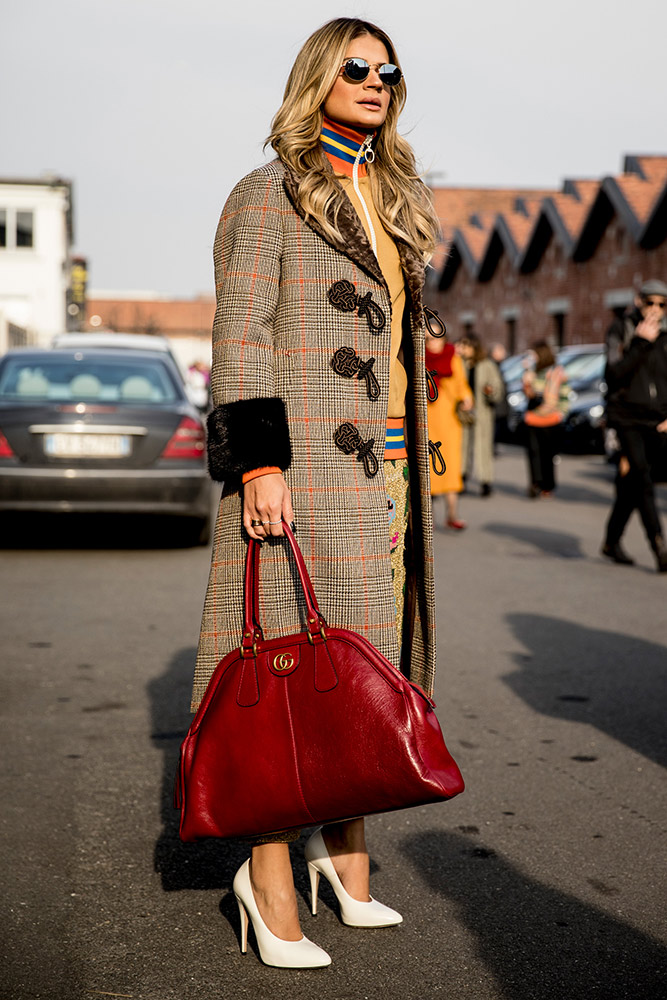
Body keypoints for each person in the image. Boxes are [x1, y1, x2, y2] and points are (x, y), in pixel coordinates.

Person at [191, 18, 442, 967]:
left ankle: (344, 855)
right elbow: (242, 333)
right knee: (287, 679)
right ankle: (265, 878)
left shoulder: (391, 197)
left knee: (360, 672)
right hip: (298, 474)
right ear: (316, 80)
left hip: (383, 478)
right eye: (355, 68)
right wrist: (257, 464)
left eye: (387, 70)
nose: (376, 81)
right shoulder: (266, 196)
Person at [601, 279, 667, 571]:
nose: (655, 309)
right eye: (650, 302)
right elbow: (614, 373)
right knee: (641, 476)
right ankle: (659, 546)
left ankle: (611, 541)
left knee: (633, 483)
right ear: (639, 302)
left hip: (656, 420)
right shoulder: (621, 329)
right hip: (625, 416)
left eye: (662, 305)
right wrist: (640, 343)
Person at [425, 328, 473, 529]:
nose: (432, 342)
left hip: (450, 422)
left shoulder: (453, 357)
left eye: (436, 337)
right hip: (426, 421)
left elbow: (462, 384)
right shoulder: (418, 356)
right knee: (427, 470)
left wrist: (467, 398)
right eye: (427, 337)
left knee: (450, 468)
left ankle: (452, 514)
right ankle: (428, 519)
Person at [522, 340, 569, 498]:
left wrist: (562, 412)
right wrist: (527, 378)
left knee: (548, 454)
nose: (533, 357)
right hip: (533, 418)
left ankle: (547, 486)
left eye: (534, 354)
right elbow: (530, 395)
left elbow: (565, 394)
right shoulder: (532, 372)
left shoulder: (557, 371)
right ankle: (535, 484)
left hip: (551, 418)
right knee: (534, 454)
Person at [458, 332, 504, 496]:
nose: (463, 349)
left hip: (482, 413)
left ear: (474, 347)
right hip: (462, 413)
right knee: (462, 447)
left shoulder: (487, 365)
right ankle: (461, 479)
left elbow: (498, 388)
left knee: (483, 448)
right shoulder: (459, 363)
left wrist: (490, 391)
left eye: (466, 345)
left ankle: (485, 481)